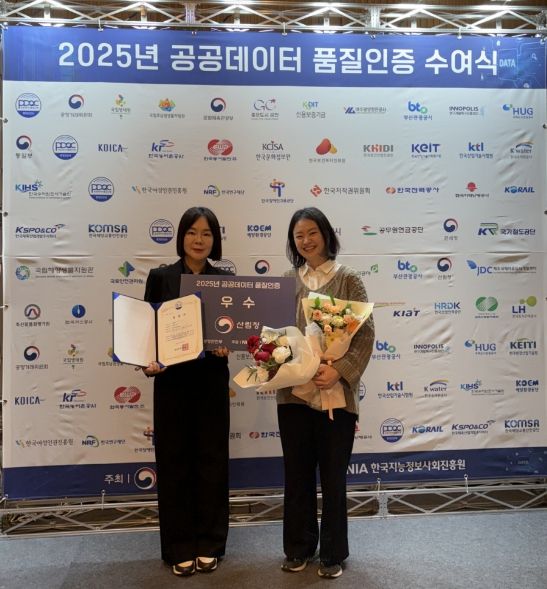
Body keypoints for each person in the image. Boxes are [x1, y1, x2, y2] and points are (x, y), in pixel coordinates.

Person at [277, 207, 375, 579]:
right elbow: (276, 335)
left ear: (326, 234)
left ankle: (333, 553)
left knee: (333, 477)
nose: (306, 241)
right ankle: (298, 547)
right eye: (298, 235)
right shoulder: (286, 281)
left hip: (336, 394)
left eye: (312, 232)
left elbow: (365, 335)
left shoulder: (349, 279)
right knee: (297, 474)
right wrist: (283, 366)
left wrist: (339, 370)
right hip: (293, 396)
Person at [143, 206, 232, 577]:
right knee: (174, 463)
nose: (199, 240)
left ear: (215, 240)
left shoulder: (225, 280)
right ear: (181, 236)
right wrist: (147, 361)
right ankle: (179, 546)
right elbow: (147, 331)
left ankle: (210, 543)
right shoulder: (160, 277)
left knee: (213, 462)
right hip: (172, 385)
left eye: (206, 233)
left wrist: (228, 344)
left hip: (211, 383)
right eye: (192, 232)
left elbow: (233, 329)